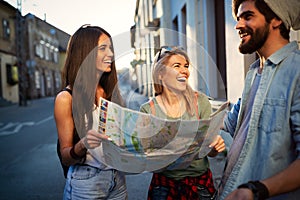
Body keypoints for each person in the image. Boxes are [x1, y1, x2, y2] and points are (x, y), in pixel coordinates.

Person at [218, 0, 300, 199]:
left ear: (276, 20)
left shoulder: (296, 72)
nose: (237, 26)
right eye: (238, 19)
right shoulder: (254, 72)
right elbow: (229, 121)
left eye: (248, 16)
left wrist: (257, 190)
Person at [140, 46, 226, 199]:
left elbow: (210, 152)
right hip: (164, 188)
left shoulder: (200, 102)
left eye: (186, 66)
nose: (184, 70)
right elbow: (145, 157)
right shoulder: (148, 110)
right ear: (160, 74)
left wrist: (215, 147)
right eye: (176, 66)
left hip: (200, 186)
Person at [54, 25, 127, 199]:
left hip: (117, 178)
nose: (110, 54)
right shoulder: (66, 98)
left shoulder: (111, 92)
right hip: (86, 180)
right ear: (85, 52)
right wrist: (82, 145)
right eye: (103, 48)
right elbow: (66, 157)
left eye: (111, 48)